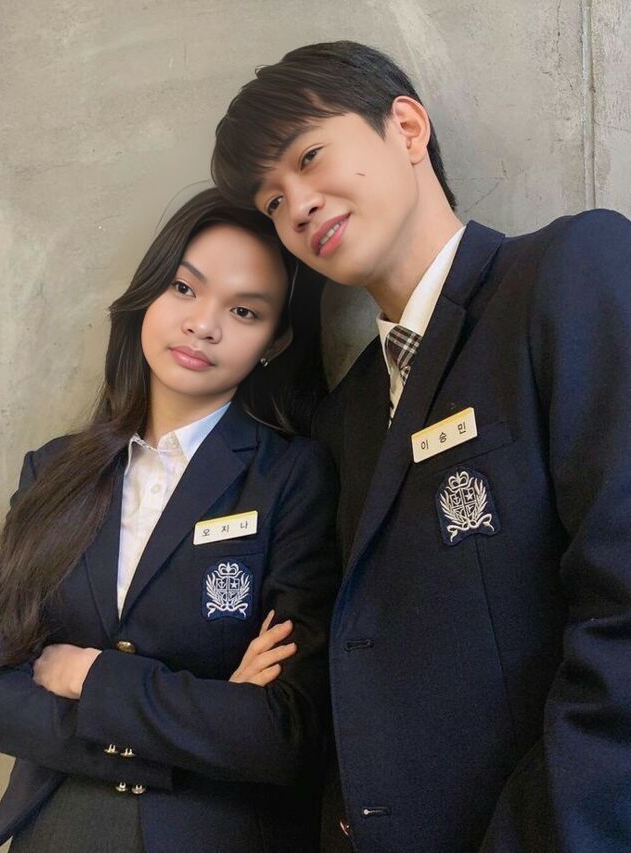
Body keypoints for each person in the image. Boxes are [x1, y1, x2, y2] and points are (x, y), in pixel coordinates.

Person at [211, 40, 631, 853]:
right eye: (272, 201)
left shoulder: (567, 273)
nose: (298, 206)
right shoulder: (347, 415)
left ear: (406, 127)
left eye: (309, 156)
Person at [0, 188, 337, 853]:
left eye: (243, 310)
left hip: (218, 834)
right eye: (184, 288)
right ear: (149, 293)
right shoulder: (54, 470)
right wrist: (201, 714)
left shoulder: (292, 477)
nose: (204, 325)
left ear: (275, 341)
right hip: (60, 828)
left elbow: (282, 729)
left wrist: (91, 679)